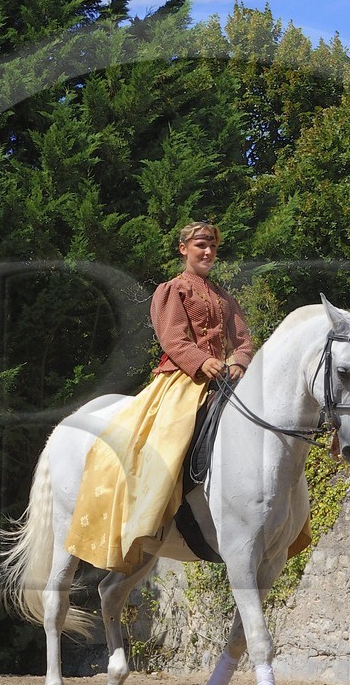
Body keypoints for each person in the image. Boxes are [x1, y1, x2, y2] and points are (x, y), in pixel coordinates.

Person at [66, 221, 254, 572]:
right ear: (184, 249)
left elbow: (242, 339)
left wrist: (240, 361)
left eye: (213, 246)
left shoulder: (224, 296)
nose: (208, 252)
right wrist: (203, 362)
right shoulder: (172, 290)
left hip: (226, 379)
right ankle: (149, 516)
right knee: (168, 440)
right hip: (183, 379)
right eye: (201, 245)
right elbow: (173, 339)